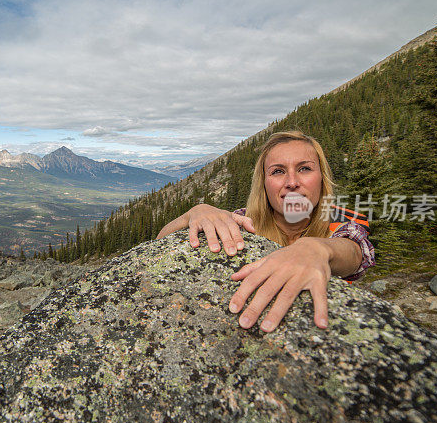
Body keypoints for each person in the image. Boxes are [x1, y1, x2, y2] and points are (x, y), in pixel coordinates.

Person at [156, 131, 375, 332]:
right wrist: (194, 213)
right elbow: (158, 245)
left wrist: (318, 249)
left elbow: (356, 253)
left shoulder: (342, 221)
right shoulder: (245, 220)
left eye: (304, 168)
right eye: (278, 171)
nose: (292, 182)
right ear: (264, 183)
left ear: (321, 178)